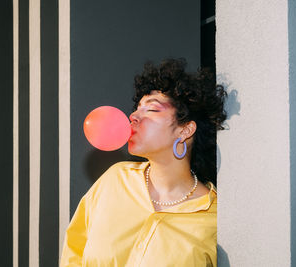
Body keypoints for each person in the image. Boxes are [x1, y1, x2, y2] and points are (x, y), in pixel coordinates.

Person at [60, 58, 227, 266]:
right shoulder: (114, 180)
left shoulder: (214, 218)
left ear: (185, 130)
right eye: (137, 108)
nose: (133, 116)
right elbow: (73, 253)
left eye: (152, 109)